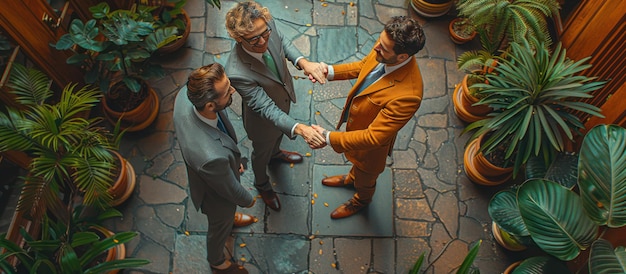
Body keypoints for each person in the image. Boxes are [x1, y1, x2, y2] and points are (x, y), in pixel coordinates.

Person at [312, 16, 426, 219]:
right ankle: (351, 178)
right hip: (356, 131)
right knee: (357, 172)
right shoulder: (386, 47)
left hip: (370, 150)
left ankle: (360, 201)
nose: (376, 49)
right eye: (379, 42)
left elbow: (374, 137)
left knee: (366, 180)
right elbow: (364, 66)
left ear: (402, 57)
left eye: (382, 48)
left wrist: (328, 137)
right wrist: (328, 71)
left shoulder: (409, 95)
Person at [224, 1, 327, 211]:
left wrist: (304, 63)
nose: (263, 41)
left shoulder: (266, 25)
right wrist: (300, 128)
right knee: (260, 153)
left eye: (265, 33)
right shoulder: (236, 72)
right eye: (254, 39)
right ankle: (261, 183)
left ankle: (276, 153)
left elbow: (282, 42)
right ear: (238, 38)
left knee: (276, 140)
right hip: (263, 122)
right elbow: (266, 108)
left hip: (283, 101)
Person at [173, 63, 256, 273]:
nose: (233, 91)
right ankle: (217, 261)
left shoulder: (186, 95)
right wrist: (249, 201)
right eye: (228, 91)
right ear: (210, 105)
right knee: (219, 227)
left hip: (217, 168)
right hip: (216, 198)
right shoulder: (210, 158)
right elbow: (230, 189)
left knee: (226, 219)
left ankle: (231, 220)